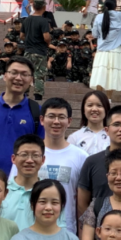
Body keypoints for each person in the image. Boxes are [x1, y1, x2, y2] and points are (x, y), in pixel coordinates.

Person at [0, 56, 44, 175]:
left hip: (23, 179)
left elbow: (41, 148)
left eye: (24, 74)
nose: (18, 78)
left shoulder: (36, 111)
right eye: (14, 73)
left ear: (31, 80)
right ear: (5, 76)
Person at [28, 98, 88, 232]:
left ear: (69, 121)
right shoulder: (28, 153)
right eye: (51, 116)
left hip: (66, 229)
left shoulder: (81, 156)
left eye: (61, 117)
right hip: (31, 227)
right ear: (42, 120)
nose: (56, 121)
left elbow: (82, 201)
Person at [91, 0, 121, 95]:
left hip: (102, 51)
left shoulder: (99, 17)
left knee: (100, 75)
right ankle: (109, 99)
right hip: (115, 50)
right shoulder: (119, 16)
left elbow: (94, 34)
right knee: (112, 76)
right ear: (115, 6)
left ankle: (99, 98)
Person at [1, 134, 44, 230]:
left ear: (43, 160)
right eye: (24, 155)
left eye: (35, 155)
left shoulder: (50, 192)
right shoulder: (1, 191)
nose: (29, 160)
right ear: (13, 159)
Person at [22, 0, 52, 101]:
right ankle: (38, 96)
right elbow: (46, 37)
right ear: (44, 7)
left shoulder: (26, 20)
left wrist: (29, 40)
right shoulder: (43, 21)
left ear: (33, 7)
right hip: (40, 52)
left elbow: (21, 36)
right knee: (39, 75)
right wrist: (48, 42)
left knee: (26, 73)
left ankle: (24, 93)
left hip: (28, 51)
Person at [68, 91, 112, 156]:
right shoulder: (74, 138)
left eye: (99, 105)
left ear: (106, 109)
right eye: (90, 105)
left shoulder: (113, 136)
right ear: (83, 110)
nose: (94, 109)